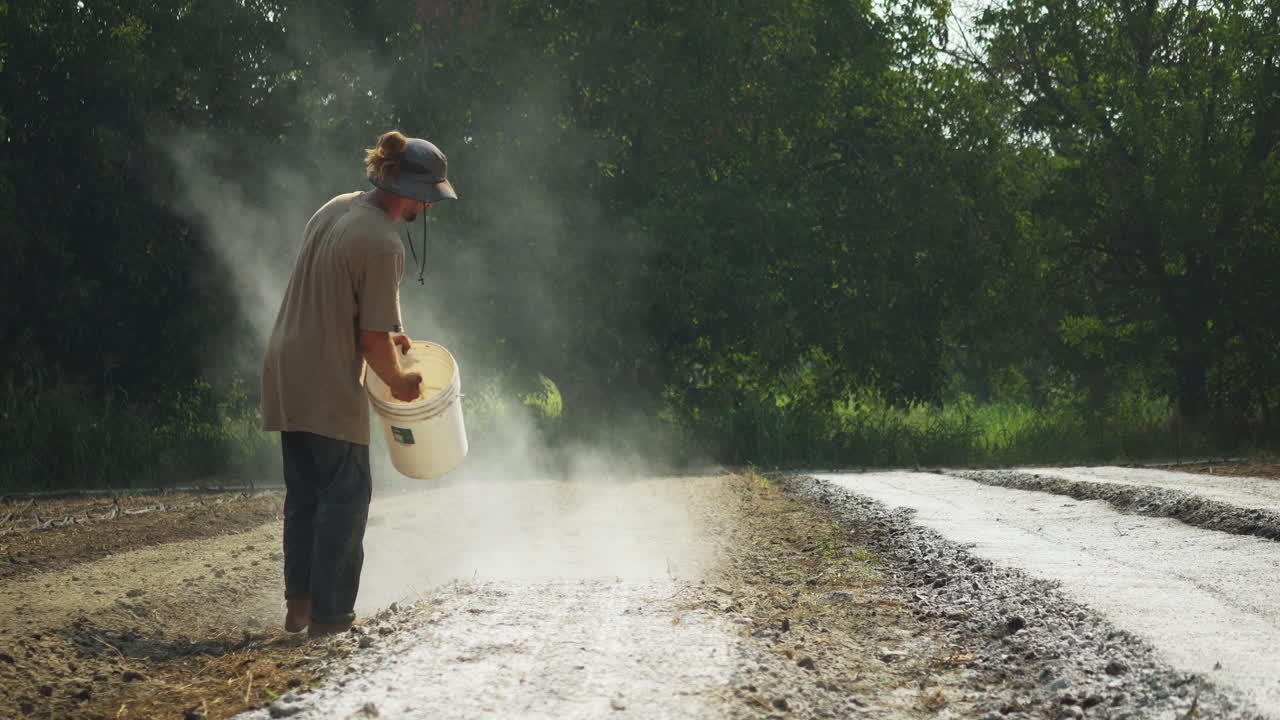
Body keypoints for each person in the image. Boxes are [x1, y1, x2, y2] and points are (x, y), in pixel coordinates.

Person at [260, 131, 458, 636]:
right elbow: (372, 342)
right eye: (428, 198)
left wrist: (388, 337)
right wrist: (401, 381)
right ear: (413, 193)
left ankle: (299, 607)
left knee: (305, 495)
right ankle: (331, 618)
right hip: (326, 375)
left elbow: (337, 295)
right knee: (345, 497)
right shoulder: (383, 243)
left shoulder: (337, 207)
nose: (427, 207)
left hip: (285, 366)